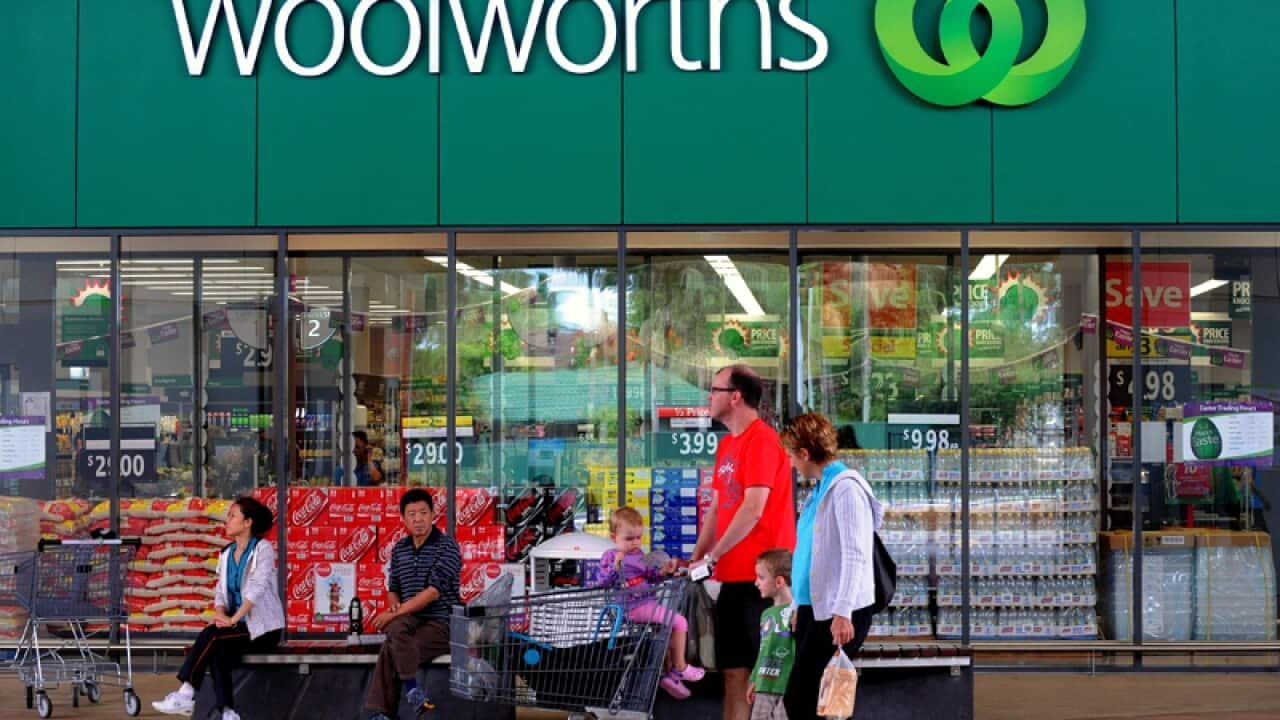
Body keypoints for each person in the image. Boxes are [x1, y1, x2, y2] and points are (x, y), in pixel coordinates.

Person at [691, 364, 796, 720]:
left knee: (766, 676)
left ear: (735, 397)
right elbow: (718, 511)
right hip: (732, 579)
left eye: (715, 390)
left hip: (765, 581)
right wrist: (697, 557)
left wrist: (713, 556)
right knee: (733, 673)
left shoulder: (764, 440)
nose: (709, 396)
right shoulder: (727, 445)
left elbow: (753, 509)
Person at [778, 414, 882, 720]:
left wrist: (843, 612)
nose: (790, 464)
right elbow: (811, 553)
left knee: (804, 697)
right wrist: (800, 603)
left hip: (837, 610)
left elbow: (854, 554)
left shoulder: (845, 489)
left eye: (791, 456)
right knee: (820, 701)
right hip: (816, 607)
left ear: (805, 454)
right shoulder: (820, 488)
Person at [152, 497, 284, 720]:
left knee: (212, 636)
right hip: (234, 627)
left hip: (262, 629)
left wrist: (233, 620)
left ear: (247, 523)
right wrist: (221, 613)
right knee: (217, 650)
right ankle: (229, 713)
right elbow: (220, 592)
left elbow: (256, 589)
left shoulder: (263, 550)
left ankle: (187, 691)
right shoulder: (225, 553)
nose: (227, 520)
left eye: (233, 516)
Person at [363, 488, 462, 720]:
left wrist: (392, 615)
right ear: (403, 518)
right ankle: (412, 694)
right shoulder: (400, 549)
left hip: (441, 622)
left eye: (423, 513)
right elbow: (393, 588)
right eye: (412, 514)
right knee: (396, 631)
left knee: (392, 646)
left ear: (433, 514)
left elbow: (432, 593)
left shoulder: (447, 547)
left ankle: (383, 711)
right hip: (410, 621)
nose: (418, 519)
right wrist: (394, 610)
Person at [595, 507, 705, 699]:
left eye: (638, 537)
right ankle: (680, 667)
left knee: (667, 630)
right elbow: (601, 582)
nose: (635, 543)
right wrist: (615, 567)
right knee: (680, 622)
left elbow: (651, 577)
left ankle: (670, 676)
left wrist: (662, 572)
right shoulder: (610, 556)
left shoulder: (640, 555)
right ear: (614, 538)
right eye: (629, 539)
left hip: (647, 603)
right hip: (632, 607)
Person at [747, 549, 795, 720]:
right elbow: (764, 649)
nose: (756, 583)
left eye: (761, 577)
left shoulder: (796, 613)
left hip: (787, 687)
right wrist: (754, 679)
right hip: (764, 686)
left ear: (779, 581)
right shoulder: (766, 614)